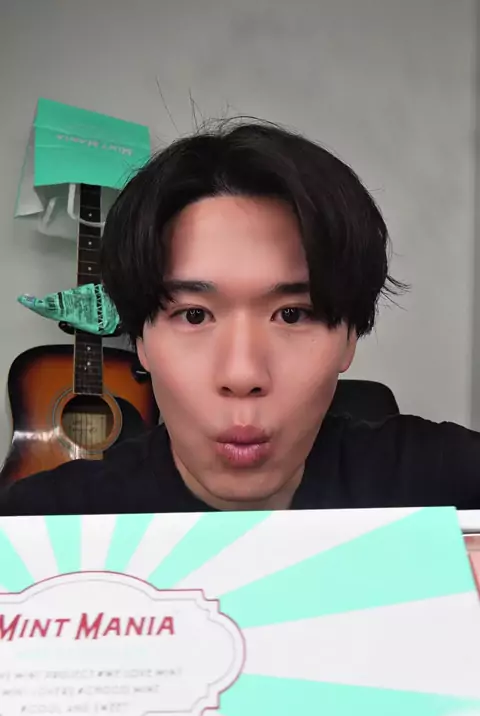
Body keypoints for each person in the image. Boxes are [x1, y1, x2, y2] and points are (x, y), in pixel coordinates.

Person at [1, 119, 480, 516]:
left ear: (350, 337)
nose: (242, 374)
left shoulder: (440, 481)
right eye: (194, 315)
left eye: (292, 314)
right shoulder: (42, 526)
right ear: (141, 339)